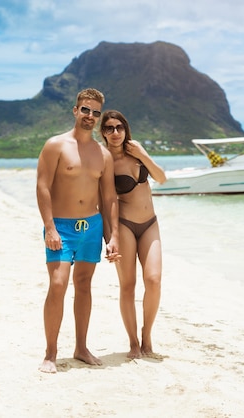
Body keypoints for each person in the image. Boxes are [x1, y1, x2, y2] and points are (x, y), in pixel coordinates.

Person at [36, 88, 120, 373]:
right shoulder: (55, 146)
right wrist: (49, 228)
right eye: (86, 110)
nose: (91, 116)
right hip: (61, 227)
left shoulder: (103, 154)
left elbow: (109, 198)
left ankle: (81, 348)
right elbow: (43, 187)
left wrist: (113, 236)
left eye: (96, 112)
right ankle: (50, 353)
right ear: (75, 111)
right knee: (58, 284)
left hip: (92, 227)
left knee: (84, 285)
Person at [99, 110, 166, 359]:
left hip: (150, 224)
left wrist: (143, 155)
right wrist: (110, 239)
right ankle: (133, 342)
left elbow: (162, 178)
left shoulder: (136, 152)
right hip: (124, 225)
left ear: (126, 129)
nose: (115, 132)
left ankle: (147, 334)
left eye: (119, 127)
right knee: (128, 285)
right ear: (103, 133)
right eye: (109, 128)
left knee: (154, 280)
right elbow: (105, 203)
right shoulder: (104, 161)